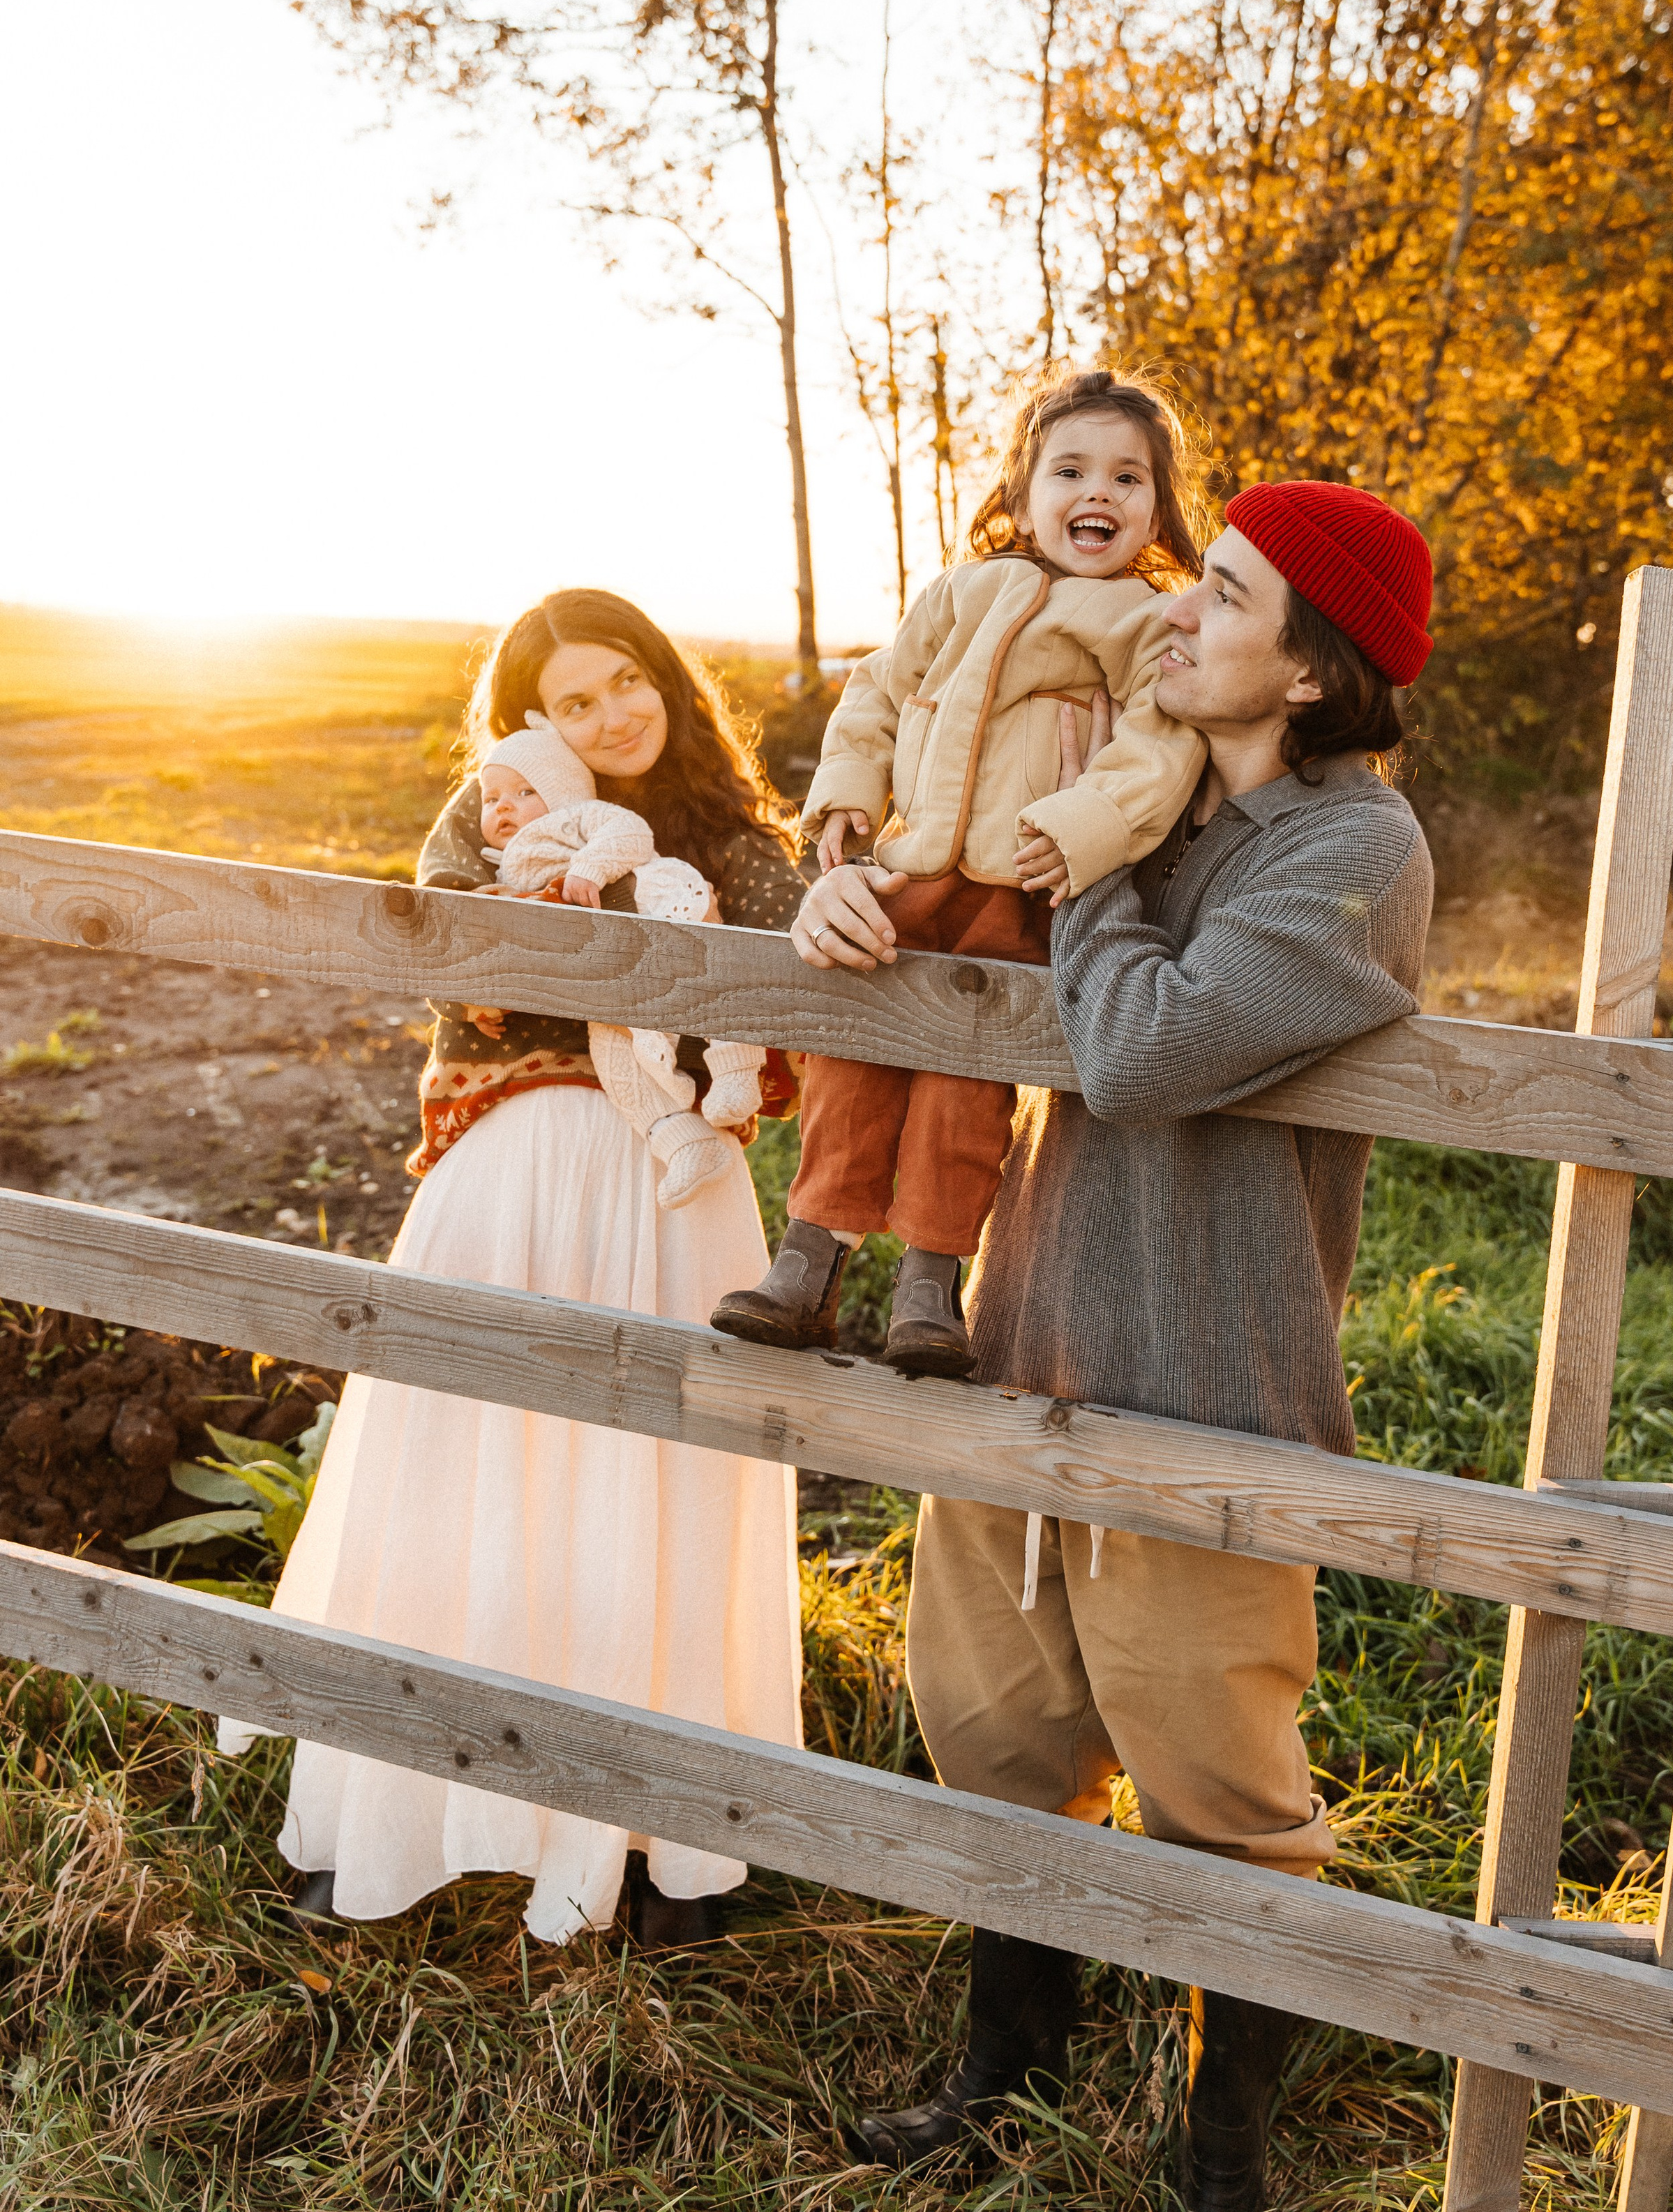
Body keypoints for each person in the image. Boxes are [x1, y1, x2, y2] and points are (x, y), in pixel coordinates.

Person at [789, 480, 1436, 2209]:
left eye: (1220, 594)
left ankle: (1222, 2154)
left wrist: (1080, 869)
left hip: (1201, 1384)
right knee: (993, 1741)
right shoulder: (1126, 788)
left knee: (1223, 1797)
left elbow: (1144, 1051)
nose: (1173, 610)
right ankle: (1004, 2074)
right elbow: (933, 865)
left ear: (1308, 670)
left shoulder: (1349, 852)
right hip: (1020, 1346)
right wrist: (833, 896)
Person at [218, 592, 807, 1952]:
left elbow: (789, 986)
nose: (612, 716)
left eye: (628, 681)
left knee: (664, 1490)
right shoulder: (491, 811)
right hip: (516, 1170)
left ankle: (665, 1842)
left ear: (668, 679)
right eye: (574, 702)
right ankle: (395, 1814)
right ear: (530, 721)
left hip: (673, 1192)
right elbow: (455, 961)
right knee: (452, 1475)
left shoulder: (730, 833)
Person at [711, 366, 1208, 1379]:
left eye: (1128, 477)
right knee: (852, 1054)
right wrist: (848, 789)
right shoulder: (959, 593)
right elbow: (876, 694)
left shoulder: (1143, 621)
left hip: (1015, 891)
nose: (1098, 492)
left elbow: (1158, 751)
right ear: (1021, 496)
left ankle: (930, 1287)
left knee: (965, 1083)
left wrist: (1082, 824)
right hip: (910, 875)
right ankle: (807, 1264)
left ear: (1158, 512)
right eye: (1070, 471)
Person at [475, 723, 766, 1207]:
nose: (504, 806)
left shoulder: (576, 817)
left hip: (653, 903)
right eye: (492, 798)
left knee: (707, 979)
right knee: (616, 1059)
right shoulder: (500, 862)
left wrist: (590, 867)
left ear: (562, 790)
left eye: (524, 792)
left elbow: (632, 833)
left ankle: (738, 1069)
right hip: (608, 972)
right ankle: (682, 1142)